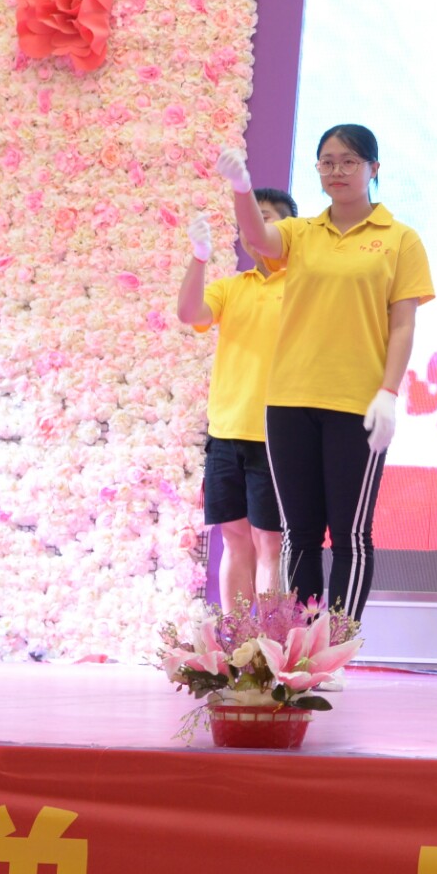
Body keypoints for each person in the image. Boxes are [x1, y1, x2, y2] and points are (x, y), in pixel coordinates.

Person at [216, 129, 434, 621]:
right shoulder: (300, 233)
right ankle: (302, 643)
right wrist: (242, 189)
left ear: (373, 169)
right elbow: (259, 238)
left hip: (357, 402)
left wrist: (388, 392)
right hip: (289, 400)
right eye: (327, 162)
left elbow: (403, 323)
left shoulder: (400, 239)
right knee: (300, 534)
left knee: (350, 534)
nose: (337, 171)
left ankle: (338, 642)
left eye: (349, 161)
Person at [178, 188, 298, 608]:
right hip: (226, 433)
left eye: (263, 218)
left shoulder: (305, 287)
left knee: (269, 542)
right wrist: (199, 258)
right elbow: (189, 314)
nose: (253, 228)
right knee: (233, 539)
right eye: (246, 220)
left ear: (290, 230)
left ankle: (270, 641)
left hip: (277, 436)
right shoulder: (231, 287)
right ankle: (236, 639)